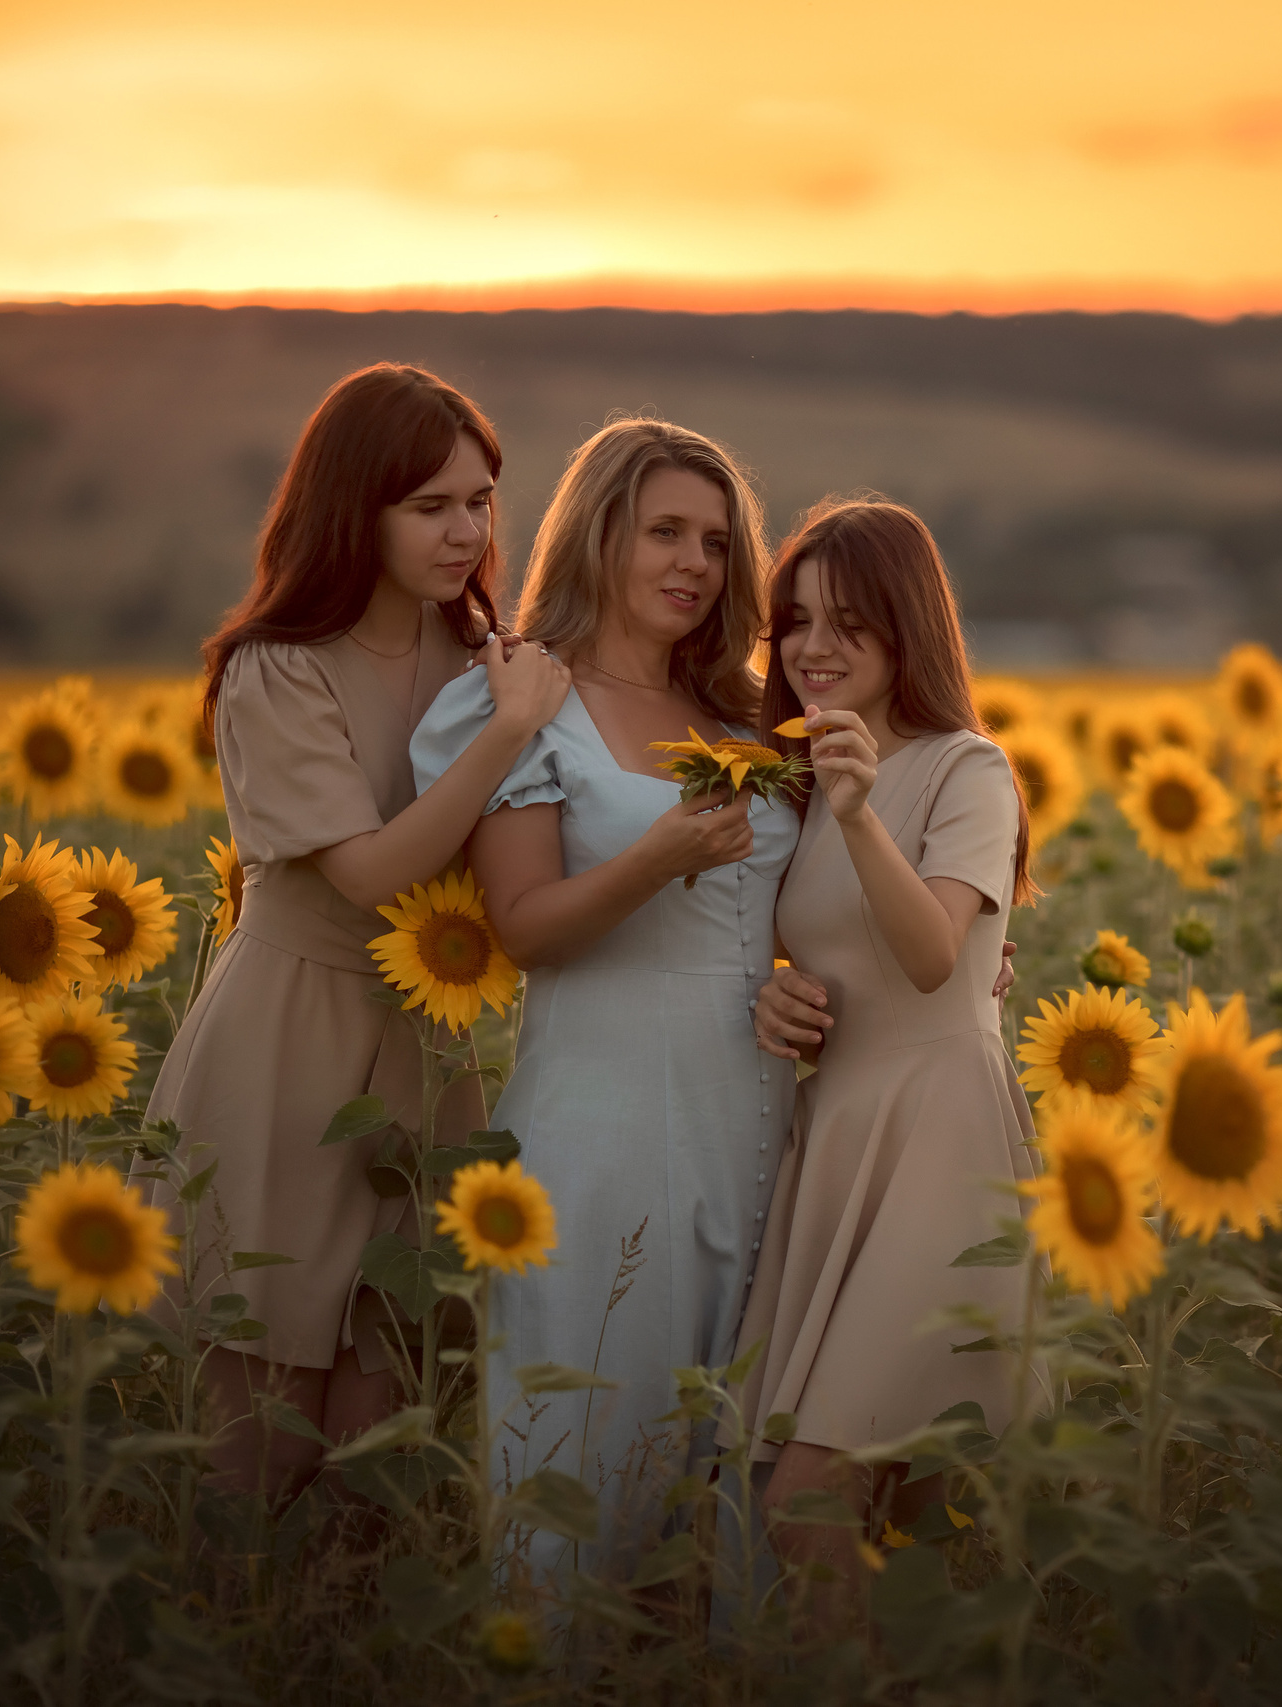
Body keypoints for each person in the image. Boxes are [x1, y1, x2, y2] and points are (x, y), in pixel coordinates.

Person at [151, 363, 571, 1507]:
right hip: (288, 1046)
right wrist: (504, 735)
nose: (466, 531)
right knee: (264, 1441)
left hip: (425, 1052)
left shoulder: (485, 661)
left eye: (480, 501)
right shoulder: (276, 668)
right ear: (354, 508)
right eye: (430, 505)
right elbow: (373, 873)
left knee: (386, 1439)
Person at [410, 418, 793, 1578]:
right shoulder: (526, 701)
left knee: (733, 1462)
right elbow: (526, 929)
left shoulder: (746, 715)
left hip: (761, 1125)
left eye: (717, 543)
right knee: (581, 1458)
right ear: (598, 533)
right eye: (664, 531)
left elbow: (794, 910)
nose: (695, 564)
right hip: (603, 1124)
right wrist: (654, 859)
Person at [737, 497, 1039, 1594]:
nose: (813, 648)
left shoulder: (968, 769)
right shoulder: (803, 778)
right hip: (842, 1132)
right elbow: (822, 952)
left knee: (811, 1503)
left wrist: (862, 812)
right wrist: (774, 996)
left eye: (849, 623)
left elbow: (928, 956)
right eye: (796, 620)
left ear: (907, 627)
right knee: (897, 1522)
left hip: (941, 1140)